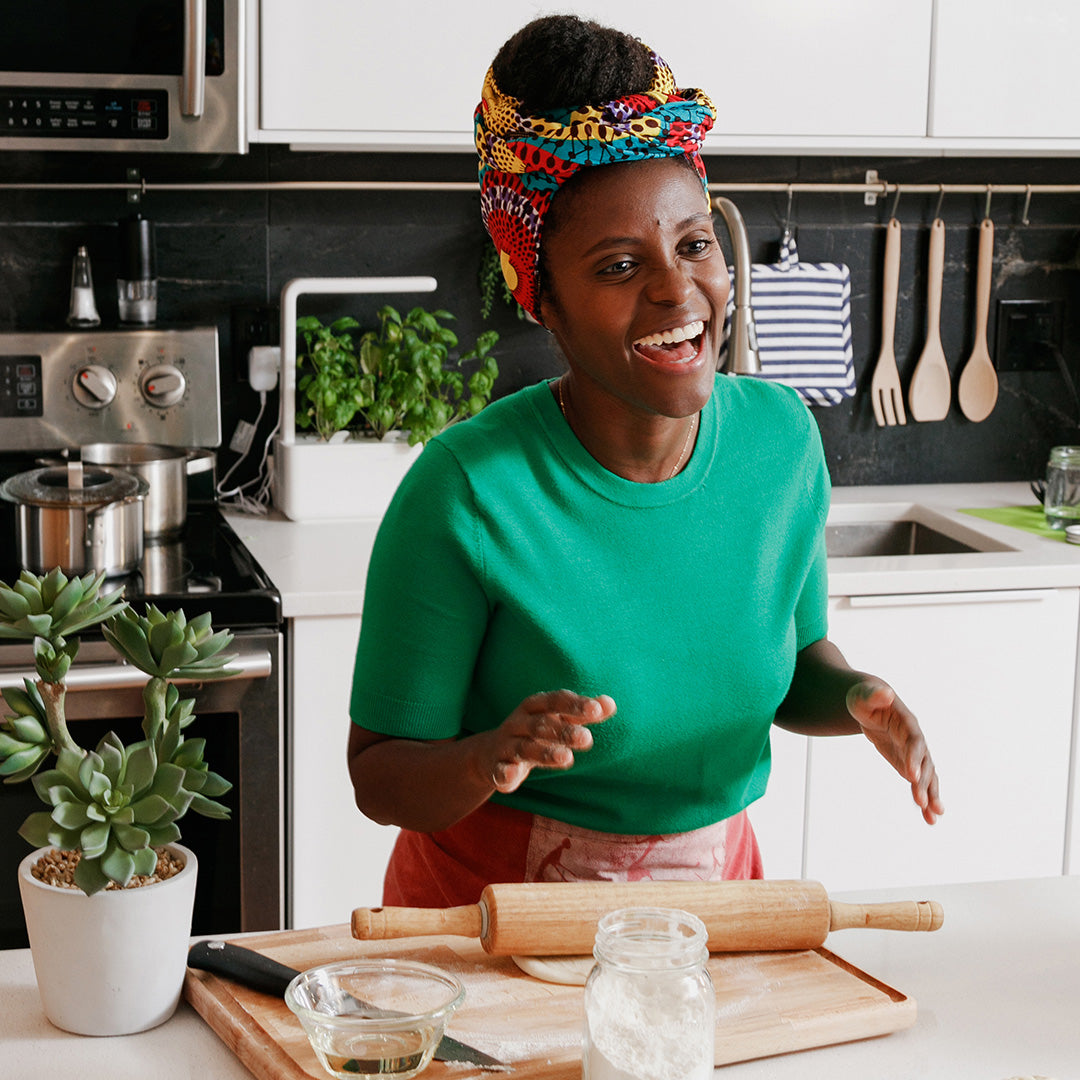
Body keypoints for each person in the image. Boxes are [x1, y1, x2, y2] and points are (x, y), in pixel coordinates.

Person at [347, 14, 943, 908]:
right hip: (491, 925)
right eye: (620, 265)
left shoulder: (780, 442)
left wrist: (856, 697)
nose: (677, 289)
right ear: (541, 297)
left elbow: (796, 662)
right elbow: (380, 776)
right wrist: (488, 755)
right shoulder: (467, 490)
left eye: (695, 243)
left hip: (713, 908)